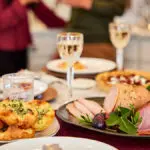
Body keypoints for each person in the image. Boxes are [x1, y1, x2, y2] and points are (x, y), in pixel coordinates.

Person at [0, 0, 66, 76]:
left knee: (22, 82)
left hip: (22, 49)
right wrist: (21, 3)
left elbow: (48, 18)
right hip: (3, 51)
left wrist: (70, 26)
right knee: (5, 84)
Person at [53, 0, 127, 60]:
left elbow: (118, 8)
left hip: (97, 43)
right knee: (49, 76)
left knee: (100, 75)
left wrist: (84, 2)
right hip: (71, 40)